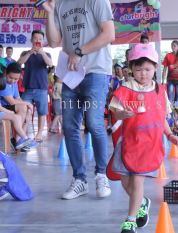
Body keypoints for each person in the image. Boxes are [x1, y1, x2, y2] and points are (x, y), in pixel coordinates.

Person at [43, 0, 115, 200]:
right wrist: (50, 13)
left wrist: (79, 51)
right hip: (71, 75)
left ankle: (101, 174)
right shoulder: (61, 4)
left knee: (94, 122)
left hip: (96, 72)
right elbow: (55, 42)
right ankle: (80, 179)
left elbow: (109, 34)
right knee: (69, 126)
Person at [109, 44, 178, 233]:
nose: (143, 73)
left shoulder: (160, 90)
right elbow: (116, 112)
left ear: (155, 68)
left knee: (138, 180)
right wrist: (123, 114)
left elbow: (161, 117)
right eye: (138, 69)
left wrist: (170, 134)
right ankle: (142, 203)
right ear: (131, 69)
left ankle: (130, 220)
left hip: (149, 144)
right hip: (128, 143)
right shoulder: (126, 88)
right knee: (125, 179)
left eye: (147, 69)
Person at [18, 30, 53, 142]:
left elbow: (50, 64)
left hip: (41, 88)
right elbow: (18, 63)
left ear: (43, 41)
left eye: (40, 39)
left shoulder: (46, 54)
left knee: (42, 112)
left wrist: (41, 53)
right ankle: (22, 133)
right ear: (31, 40)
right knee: (23, 110)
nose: (37, 40)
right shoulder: (25, 53)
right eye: (35, 38)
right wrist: (29, 53)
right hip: (27, 88)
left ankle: (39, 134)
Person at [0, 63, 34, 148]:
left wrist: (27, 107)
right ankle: (19, 140)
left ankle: (19, 141)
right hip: (5, 107)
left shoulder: (14, 84)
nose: (13, 81)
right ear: (6, 74)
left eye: (16, 79)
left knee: (27, 113)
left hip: (8, 107)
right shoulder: (3, 84)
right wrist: (27, 104)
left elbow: (18, 98)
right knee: (22, 108)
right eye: (10, 77)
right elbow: (12, 101)